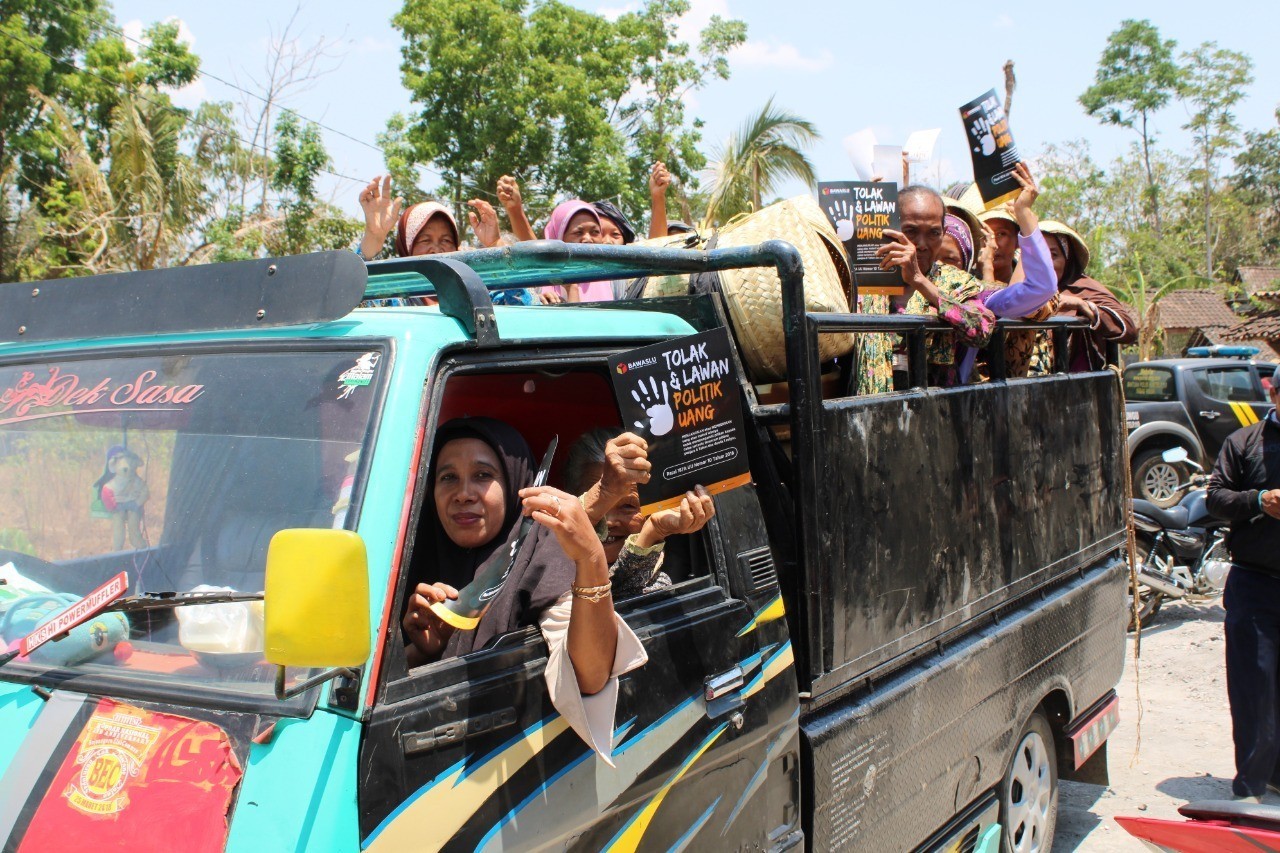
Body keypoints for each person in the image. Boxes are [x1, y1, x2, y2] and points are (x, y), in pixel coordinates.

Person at [402, 417, 646, 759]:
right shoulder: (404, 565)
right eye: (448, 477)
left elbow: (590, 678)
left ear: (517, 486)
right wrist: (423, 652)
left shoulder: (542, 557)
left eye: (482, 475)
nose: (463, 494)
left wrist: (590, 557)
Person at [1206, 364, 1280, 802]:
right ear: (1274, 394)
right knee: (1255, 689)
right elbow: (1215, 498)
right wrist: (1258, 500)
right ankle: (1250, 790)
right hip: (1255, 585)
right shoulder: (1244, 442)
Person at [564, 429, 716, 597]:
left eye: (628, 506)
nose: (609, 521)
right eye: (598, 501)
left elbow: (609, 602)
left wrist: (654, 531)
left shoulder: (659, 584)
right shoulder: (548, 568)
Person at [875, 185, 996, 387]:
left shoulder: (956, 281)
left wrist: (920, 282)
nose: (922, 244)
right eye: (911, 231)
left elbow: (982, 329)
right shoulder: (868, 282)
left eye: (933, 233)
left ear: (943, 233)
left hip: (935, 400)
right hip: (872, 402)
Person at [1033, 220, 1137, 372]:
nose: (1045, 262)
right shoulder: (1019, 290)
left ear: (1067, 260)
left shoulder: (1083, 288)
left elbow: (1128, 330)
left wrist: (1081, 305)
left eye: (1053, 255)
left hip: (1075, 381)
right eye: (1038, 254)